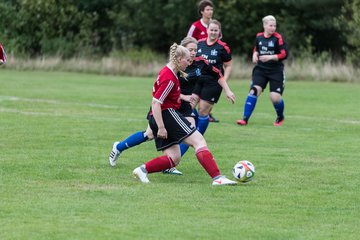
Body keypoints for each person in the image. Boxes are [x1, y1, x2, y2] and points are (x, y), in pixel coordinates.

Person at [109, 37, 227, 175]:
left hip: (181, 107)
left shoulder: (197, 63)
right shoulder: (172, 72)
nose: (193, 54)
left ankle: (170, 164)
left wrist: (226, 90)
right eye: (190, 50)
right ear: (180, 54)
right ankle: (119, 147)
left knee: (190, 133)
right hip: (166, 108)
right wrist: (183, 98)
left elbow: (216, 73)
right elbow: (162, 95)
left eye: (195, 50)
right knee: (150, 134)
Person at [132, 42, 236, 186]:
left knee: (174, 158)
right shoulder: (169, 77)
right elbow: (156, 103)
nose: (189, 63)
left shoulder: (171, 72)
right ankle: (217, 178)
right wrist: (161, 127)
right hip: (166, 114)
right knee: (198, 141)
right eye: (187, 60)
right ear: (179, 59)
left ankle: (142, 170)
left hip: (160, 116)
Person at [236, 15, 288, 126]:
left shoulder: (277, 38)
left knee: (275, 98)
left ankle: (280, 116)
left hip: (276, 71)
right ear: (264, 25)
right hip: (261, 70)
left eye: (274, 26)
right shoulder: (259, 37)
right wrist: (254, 54)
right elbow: (256, 48)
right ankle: (244, 119)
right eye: (271, 25)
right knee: (254, 91)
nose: (273, 28)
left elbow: (284, 54)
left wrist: (270, 57)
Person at [192, 19, 235, 137]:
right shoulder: (199, 43)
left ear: (219, 32)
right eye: (211, 30)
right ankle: (191, 131)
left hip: (214, 82)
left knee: (203, 110)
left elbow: (229, 65)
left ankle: (198, 136)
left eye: (216, 30)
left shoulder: (223, 47)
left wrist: (224, 81)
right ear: (207, 30)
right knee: (189, 106)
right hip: (197, 80)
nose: (213, 32)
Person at [187, 0, 220, 122]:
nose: (210, 12)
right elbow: (187, 41)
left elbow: (219, 45)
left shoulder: (214, 26)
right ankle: (196, 117)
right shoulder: (196, 26)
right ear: (202, 12)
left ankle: (206, 115)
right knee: (193, 98)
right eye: (208, 9)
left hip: (211, 68)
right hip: (198, 66)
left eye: (211, 9)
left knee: (205, 99)